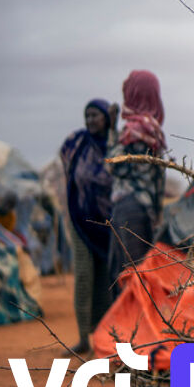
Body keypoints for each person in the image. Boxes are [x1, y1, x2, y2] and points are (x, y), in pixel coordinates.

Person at [59, 98, 117, 354]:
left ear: (106, 117)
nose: (90, 120)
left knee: (105, 280)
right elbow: (67, 164)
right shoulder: (78, 142)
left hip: (107, 225)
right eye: (87, 115)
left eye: (96, 115)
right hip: (80, 220)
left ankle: (102, 338)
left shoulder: (115, 144)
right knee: (83, 276)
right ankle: (84, 337)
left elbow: (116, 172)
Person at [107, 70, 166, 292]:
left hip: (127, 209)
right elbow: (159, 180)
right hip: (145, 210)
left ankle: (127, 325)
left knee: (126, 275)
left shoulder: (133, 130)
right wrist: (157, 213)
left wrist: (111, 132)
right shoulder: (154, 129)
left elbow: (113, 165)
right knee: (139, 271)